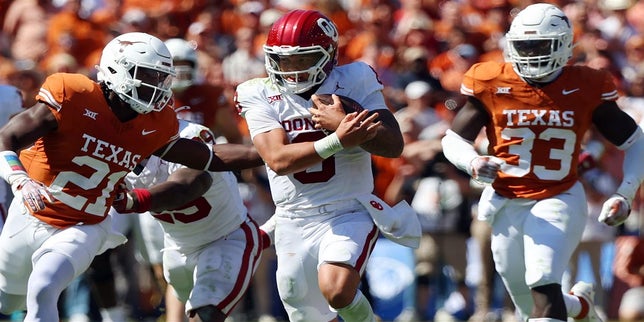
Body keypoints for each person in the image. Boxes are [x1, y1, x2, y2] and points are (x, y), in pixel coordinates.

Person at [0, 31, 262, 321]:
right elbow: (6, 138)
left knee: (43, 287)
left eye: (161, 78)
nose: (157, 87)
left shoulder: (154, 124)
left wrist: (272, 153)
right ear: (116, 69)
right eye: (148, 75)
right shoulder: (73, 95)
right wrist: (19, 179)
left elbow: (207, 157)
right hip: (30, 212)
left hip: (85, 224)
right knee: (7, 301)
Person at [440, 3, 644, 322]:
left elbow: (636, 140)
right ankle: (581, 308)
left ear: (564, 44)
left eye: (541, 45)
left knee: (542, 278)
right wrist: (473, 162)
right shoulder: (491, 79)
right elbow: (454, 139)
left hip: (558, 194)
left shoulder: (587, 83)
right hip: (506, 200)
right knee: (527, 299)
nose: (533, 54)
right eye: (526, 46)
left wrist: (625, 194)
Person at [236, 9, 408, 322]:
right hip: (293, 217)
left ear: (328, 54)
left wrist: (344, 122)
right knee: (309, 315)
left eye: (302, 60)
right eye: (284, 60)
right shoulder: (258, 92)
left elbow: (393, 144)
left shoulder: (354, 79)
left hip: (348, 209)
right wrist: (340, 138)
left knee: (337, 289)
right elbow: (277, 159)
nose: (291, 69)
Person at [113, 119, 265, 322]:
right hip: (176, 250)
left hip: (224, 239)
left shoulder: (188, 135)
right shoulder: (111, 145)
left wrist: (135, 200)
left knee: (204, 313)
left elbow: (188, 184)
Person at [164, 38, 243, 144]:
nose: (178, 72)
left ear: (193, 66)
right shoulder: (153, 96)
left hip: (203, 155)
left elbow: (234, 137)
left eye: (183, 65)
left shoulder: (210, 94)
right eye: (174, 65)